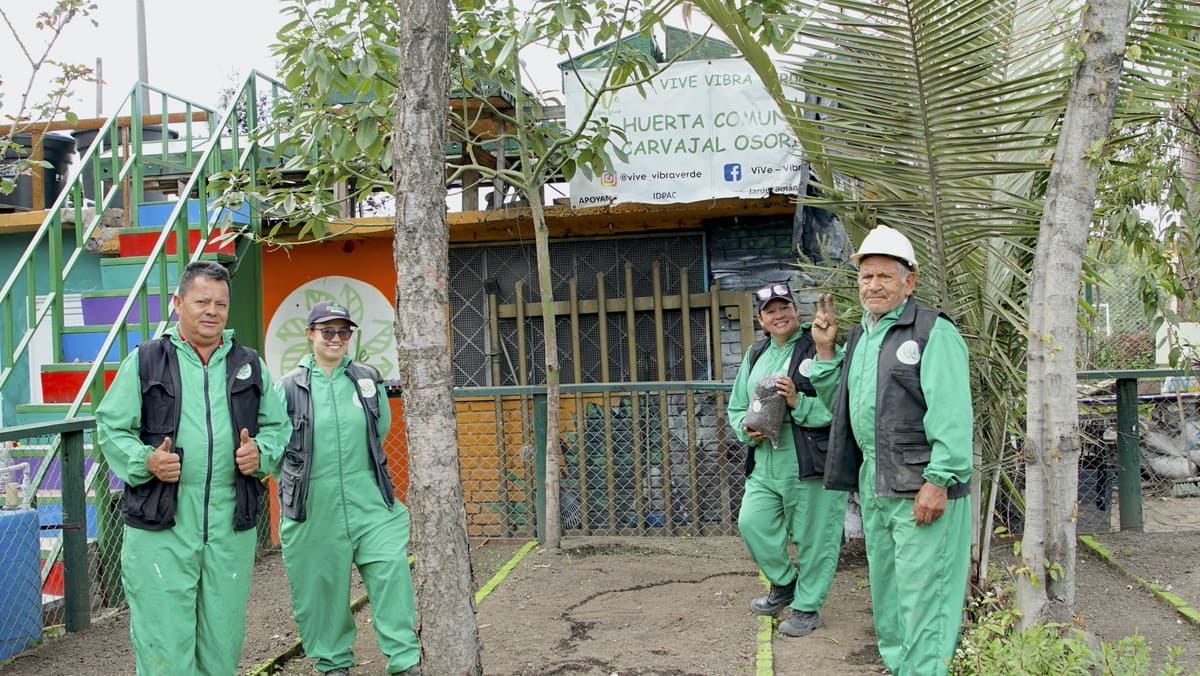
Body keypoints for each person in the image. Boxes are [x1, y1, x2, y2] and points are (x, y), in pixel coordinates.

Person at [94, 260, 290, 674]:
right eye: (202, 301)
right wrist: (146, 460)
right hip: (160, 528)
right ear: (178, 303)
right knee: (164, 643)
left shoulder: (248, 363)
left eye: (221, 303)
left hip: (228, 527)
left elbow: (278, 427)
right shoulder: (146, 361)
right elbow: (112, 427)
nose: (212, 311)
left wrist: (261, 454)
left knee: (222, 643)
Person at [808, 225, 973, 676]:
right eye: (866, 277)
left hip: (922, 487)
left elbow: (953, 413)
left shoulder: (932, 332)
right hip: (877, 486)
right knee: (890, 593)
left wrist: (940, 480)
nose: (874, 285)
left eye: (885, 276)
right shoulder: (862, 337)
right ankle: (901, 667)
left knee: (926, 598)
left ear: (909, 281)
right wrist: (826, 354)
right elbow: (841, 407)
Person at [274, 300, 420, 676]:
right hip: (313, 505)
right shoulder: (287, 388)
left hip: (370, 498)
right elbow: (274, 446)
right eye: (327, 331)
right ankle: (333, 663)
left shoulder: (366, 379)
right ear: (310, 335)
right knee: (321, 590)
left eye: (343, 331)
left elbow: (380, 429)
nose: (337, 338)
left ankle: (405, 661)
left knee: (391, 574)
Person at [727, 283, 849, 637]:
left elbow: (839, 407)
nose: (779, 315)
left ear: (798, 312)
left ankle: (808, 608)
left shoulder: (821, 348)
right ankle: (784, 584)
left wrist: (799, 403)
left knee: (814, 538)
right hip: (765, 460)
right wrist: (745, 429)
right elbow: (737, 406)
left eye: (785, 308)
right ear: (761, 320)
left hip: (808, 460)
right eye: (770, 311)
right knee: (752, 523)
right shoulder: (756, 352)